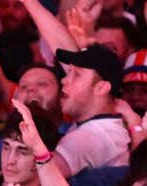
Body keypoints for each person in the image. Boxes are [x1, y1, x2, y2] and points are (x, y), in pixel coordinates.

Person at [51, 46, 130, 178]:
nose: (64, 80)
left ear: (101, 88)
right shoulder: (102, 126)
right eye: (69, 72)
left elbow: (41, 176)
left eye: (76, 75)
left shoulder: (94, 135)